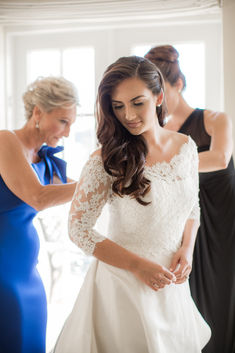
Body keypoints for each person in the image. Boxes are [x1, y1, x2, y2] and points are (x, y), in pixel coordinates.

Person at [54, 56, 211, 353]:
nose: (128, 115)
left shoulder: (186, 147)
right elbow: (78, 229)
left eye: (137, 103)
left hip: (171, 284)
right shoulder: (105, 160)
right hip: (122, 284)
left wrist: (186, 250)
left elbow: (192, 206)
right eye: (118, 106)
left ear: (159, 97)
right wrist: (138, 266)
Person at [145, 44, 235, 353]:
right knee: (186, 305)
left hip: (224, 226)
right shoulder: (157, 133)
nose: (158, 102)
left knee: (223, 302)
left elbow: (221, 158)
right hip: (182, 226)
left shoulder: (214, 119)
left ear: (178, 85)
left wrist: (171, 164)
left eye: (162, 92)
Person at [0, 76, 79, 353]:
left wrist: (116, 180)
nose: (67, 132)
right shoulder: (5, 141)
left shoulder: (43, 157)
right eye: (63, 121)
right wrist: (95, 184)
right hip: (3, 273)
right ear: (37, 112)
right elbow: (39, 197)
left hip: (28, 274)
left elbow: (76, 189)